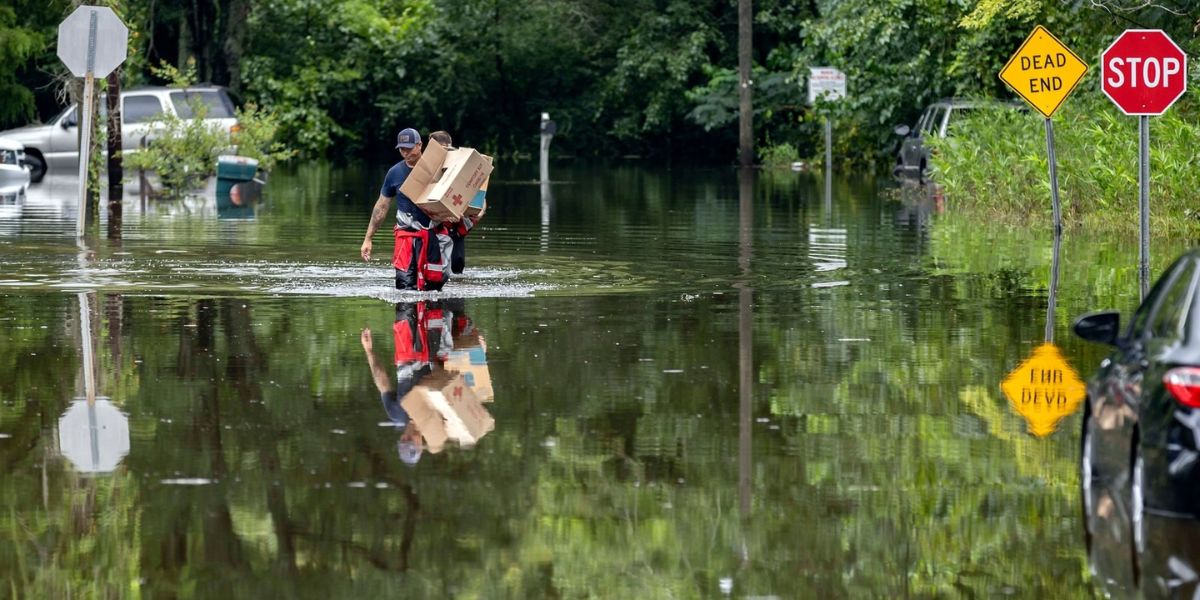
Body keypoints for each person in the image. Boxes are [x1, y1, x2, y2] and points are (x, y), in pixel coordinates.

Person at [360, 128, 453, 291]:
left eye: (409, 148)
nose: (405, 152)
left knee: (434, 286)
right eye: (402, 148)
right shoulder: (394, 173)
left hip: (433, 236)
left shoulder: (438, 169)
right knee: (404, 288)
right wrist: (368, 238)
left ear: (420, 145)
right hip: (406, 238)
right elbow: (381, 206)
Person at [427, 130, 483, 275]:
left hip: (456, 229)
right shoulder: (425, 170)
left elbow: (480, 200)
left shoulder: (461, 168)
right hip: (434, 228)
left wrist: (475, 214)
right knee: (432, 272)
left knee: (456, 269)